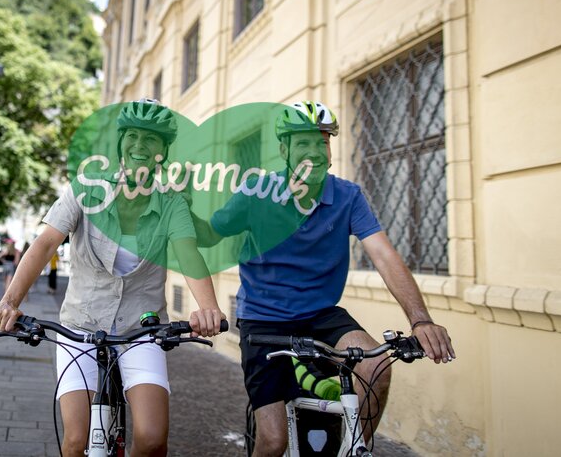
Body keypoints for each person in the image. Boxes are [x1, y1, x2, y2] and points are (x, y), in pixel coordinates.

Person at [190, 101, 456, 456]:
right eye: (302, 143)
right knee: (272, 441)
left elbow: (384, 255)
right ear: (283, 150)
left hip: (320, 315)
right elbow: (209, 235)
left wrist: (420, 320)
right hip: (263, 319)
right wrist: (181, 208)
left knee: (375, 364)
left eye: (322, 142)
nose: (313, 152)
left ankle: (352, 447)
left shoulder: (348, 196)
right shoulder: (255, 193)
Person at [0, 99, 225, 457]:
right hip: (81, 326)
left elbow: (189, 253)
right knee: (75, 440)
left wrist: (208, 308)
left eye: (151, 139)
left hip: (140, 329)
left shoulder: (172, 201)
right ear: (120, 144)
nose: (140, 146)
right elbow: (45, 243)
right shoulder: (87, 187)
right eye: (132, 136)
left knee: (151, 438)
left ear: (163, 150)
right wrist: (10, 301)